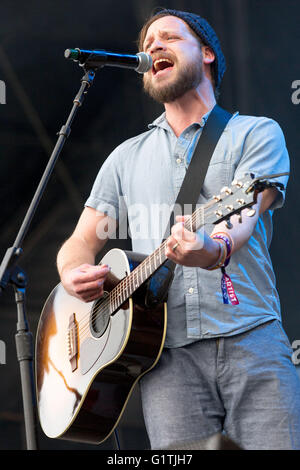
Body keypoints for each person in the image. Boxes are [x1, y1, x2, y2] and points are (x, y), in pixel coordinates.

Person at [56, 9, 300, 450]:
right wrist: (72, 271)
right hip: (163, 357)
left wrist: (214, 246)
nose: (152, 47)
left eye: (169, 37)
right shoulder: (124, 158)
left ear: (207, 53)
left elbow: (245, 212)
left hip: (251, 337)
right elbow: (79, 242)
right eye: (147, 44)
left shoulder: (255, 133)